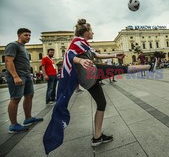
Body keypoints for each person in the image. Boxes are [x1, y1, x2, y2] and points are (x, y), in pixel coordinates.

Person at [43, 18, 157, 155]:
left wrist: (115, 55)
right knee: (122, 69)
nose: (93, 33)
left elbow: (97, 55)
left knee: (101, 104)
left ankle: (97, 137)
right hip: (91, 73)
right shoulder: (77, 41)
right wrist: (80, 60)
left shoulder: (84, 44)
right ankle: (150, 67)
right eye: (91, 31)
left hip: (89, 80)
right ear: (86, 32)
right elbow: (69, 55)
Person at [4, 28, 43, 133]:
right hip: (18, 75)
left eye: (29, 35)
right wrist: (15, 76)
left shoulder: (23, 48)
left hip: (26, 75)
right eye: (26, 35)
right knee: (15, 98)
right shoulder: (13, 45)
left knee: (29, 96)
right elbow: (8, 61)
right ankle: (13, 125)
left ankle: (28, 118)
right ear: (19, 35)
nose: (28, 37)